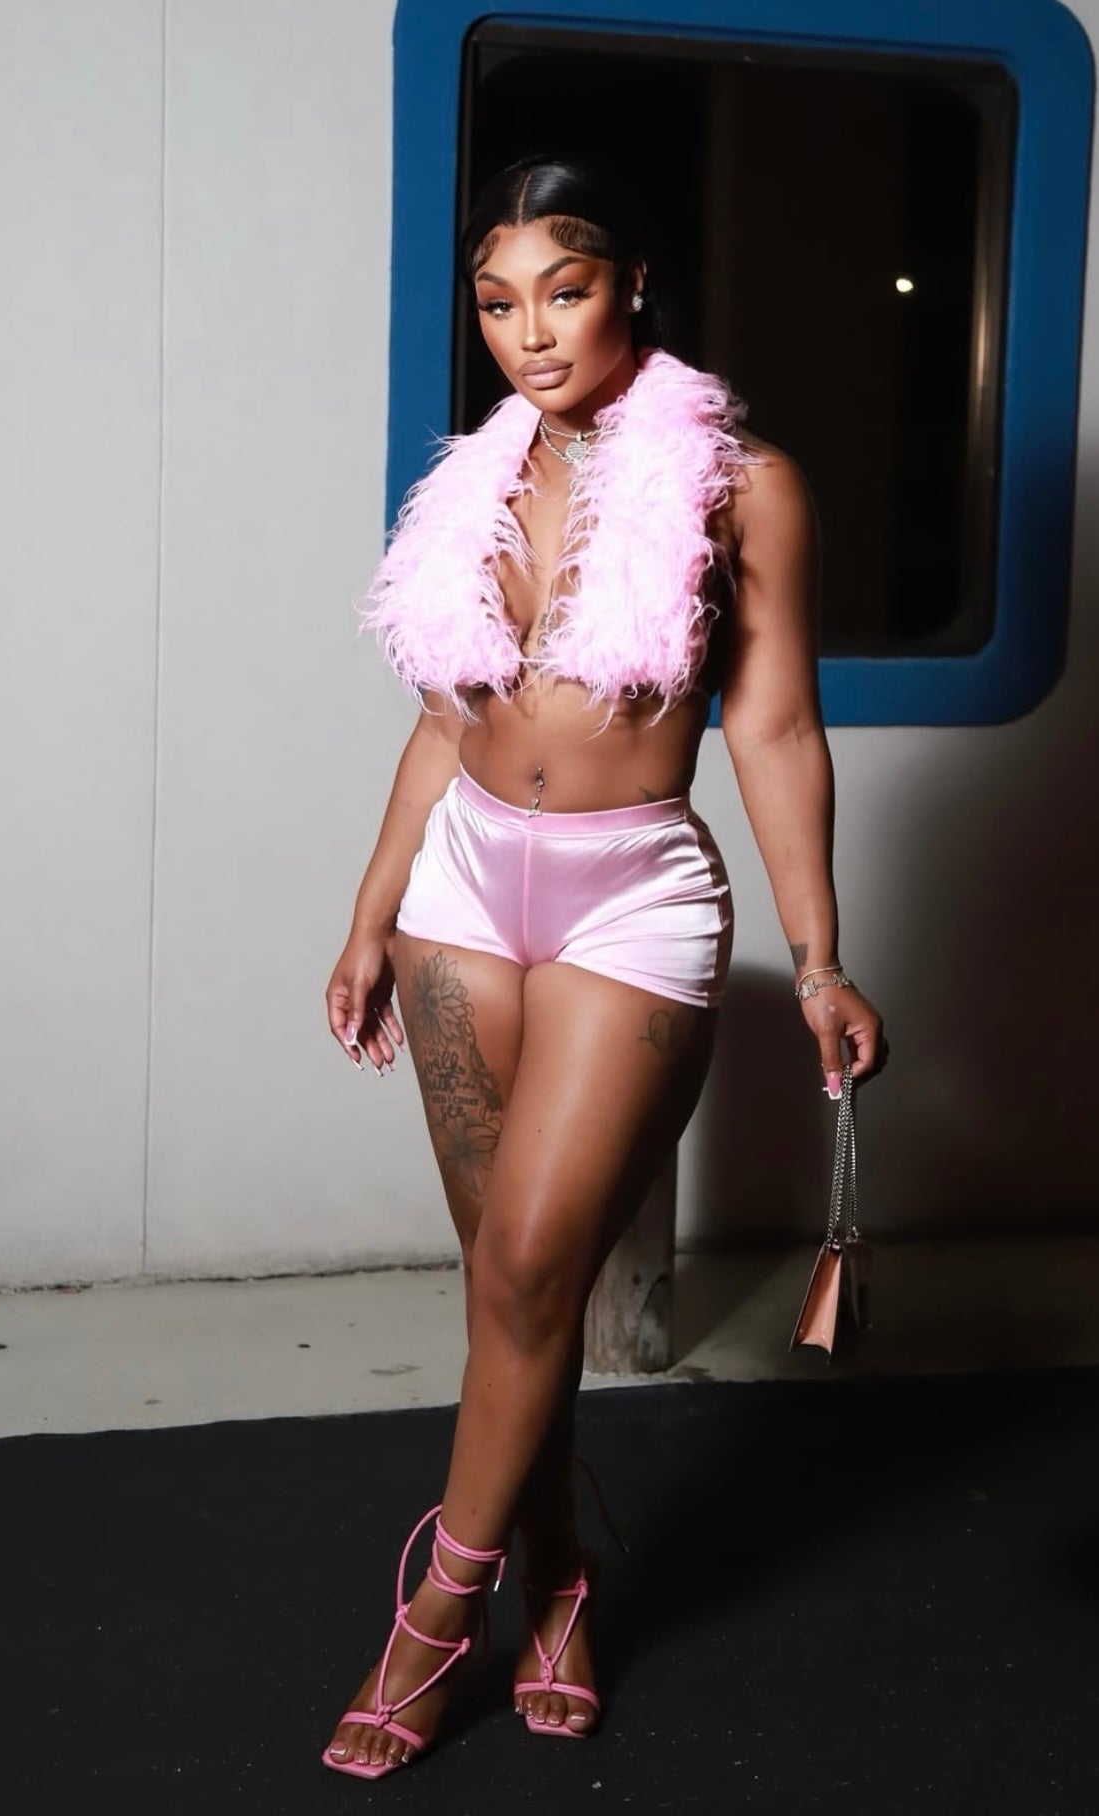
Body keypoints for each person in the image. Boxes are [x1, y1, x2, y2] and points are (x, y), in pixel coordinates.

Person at [321, 153, 887, 1779]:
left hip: (628, 899)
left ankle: (437, 1614)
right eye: (498, 303)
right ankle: (561, 1574)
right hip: (461, 888)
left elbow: (773, 727)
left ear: (632, 281)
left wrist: (822, 959)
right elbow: (444, 722)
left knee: (526, 1270)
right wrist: (369, 912)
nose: (530, 333)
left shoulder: (744, 484)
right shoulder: (474, 484)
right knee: (518, 1283)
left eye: (562, 292)